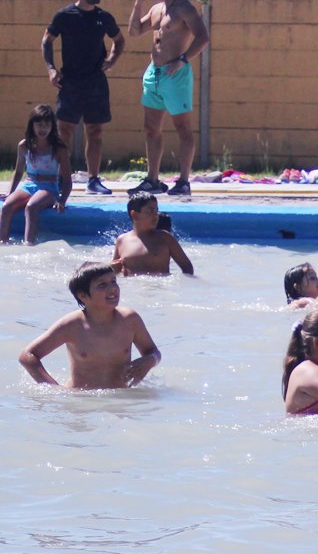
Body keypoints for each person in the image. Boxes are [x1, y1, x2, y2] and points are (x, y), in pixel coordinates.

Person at [126, 0, 210, 197]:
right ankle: (152, 179)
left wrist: (182, 60)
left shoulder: (185, 8)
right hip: (155, 73)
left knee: (183, 127)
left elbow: (203, 37)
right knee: (151, 127)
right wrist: (138, 3)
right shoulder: (156, 9)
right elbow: (133, 31)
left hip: (176, 74)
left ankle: (183, 181)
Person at [42, 0, 124, 196]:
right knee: (64, 131)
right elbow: (46, 41)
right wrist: (51, 69)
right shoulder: (65, 15)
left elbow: (119, 40)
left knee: (95, 131)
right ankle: (60, 178)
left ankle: (93, 180)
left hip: (95, 82)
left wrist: (112, 60)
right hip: (70, 82)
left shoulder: (103, 17)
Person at [19, 262, 161, 389]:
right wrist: (54, 389)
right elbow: (27, 356)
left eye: (114, 281)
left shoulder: (130, 319)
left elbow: (153, 351)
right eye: (102, 285)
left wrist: (150, 360)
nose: (112, 288)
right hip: (83, 400)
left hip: (120, 399)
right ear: (83, 295)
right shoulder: (72, 325)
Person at [2, 105, 71, 245]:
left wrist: (62, 200)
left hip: (50, 188)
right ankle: (2, 242)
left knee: (31, 207)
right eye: (39, 125)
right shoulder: (24, 146)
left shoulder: (59, 148)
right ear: (31, 125)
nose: (42, 129)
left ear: (52, 127)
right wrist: (10, 192)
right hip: (29, 184)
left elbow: (67, 180)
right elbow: (18, 172)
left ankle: (29, 244)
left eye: (47, 125)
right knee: (7, 206)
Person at [112, 192, 194, 276]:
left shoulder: (165, 238)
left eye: (156, 210)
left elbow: (187, 267)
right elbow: (113, 272)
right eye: (150, 211)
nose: (156, 215)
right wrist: (112, 268)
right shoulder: (122, 240)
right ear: (135, 215)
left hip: (159, 287)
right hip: (133, 287)